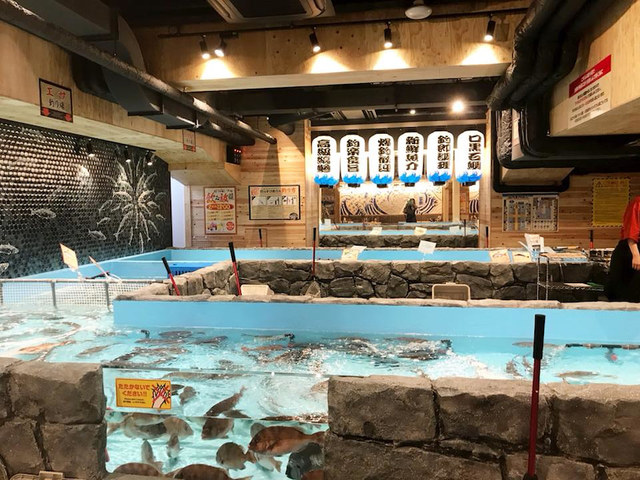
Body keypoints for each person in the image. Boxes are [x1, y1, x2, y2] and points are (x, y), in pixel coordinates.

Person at [605, 195, 640, 302]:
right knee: (627, 295)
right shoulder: (637, 202)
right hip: (631, 251)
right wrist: (636, 255)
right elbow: (631, 231)